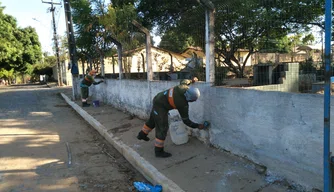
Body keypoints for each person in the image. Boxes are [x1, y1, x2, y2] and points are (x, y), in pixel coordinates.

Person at [137, 77, 210, 158]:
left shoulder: (183, 87)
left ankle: (141, 135)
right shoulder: (182, 104)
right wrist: (198, 126)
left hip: (157, 98)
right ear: (189, 98)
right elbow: (186, 121)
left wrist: (192, 80)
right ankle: (158, 151)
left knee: (152, 121)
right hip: (161, 107)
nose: (192, 101)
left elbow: (184, 80)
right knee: (162, 127)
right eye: (192, 100)